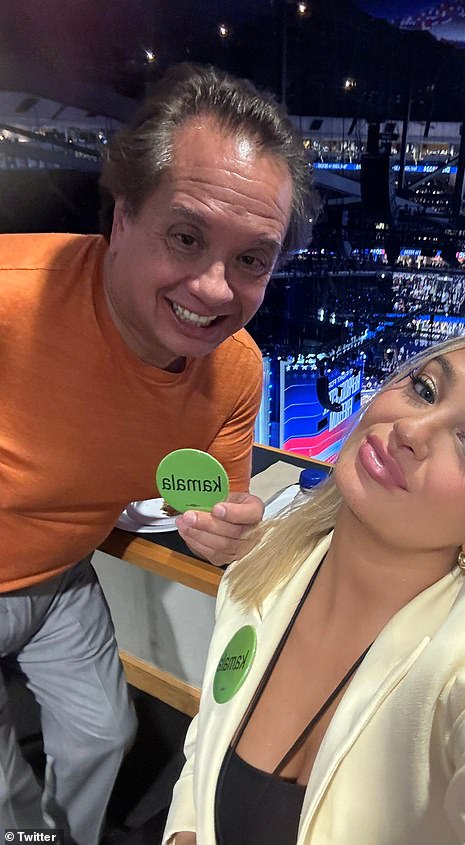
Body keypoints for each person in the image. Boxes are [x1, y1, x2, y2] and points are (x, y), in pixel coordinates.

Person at [0, 63, 317, 843]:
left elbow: (217, 498)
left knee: (107, 733)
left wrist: (228, 526)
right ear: (123, 215)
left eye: (252, 259)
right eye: (187, 236)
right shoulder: (11, 298)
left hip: (63, 575)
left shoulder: (238, 368)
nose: (215, 288)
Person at [163, 328, 465, 845]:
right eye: (425, 390)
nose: (412, 427)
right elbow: (209, 733)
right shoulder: (263, 565)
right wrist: (186, 827)